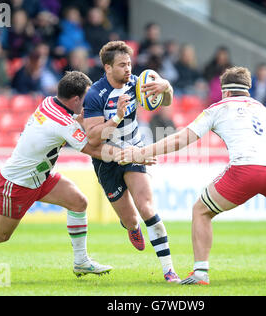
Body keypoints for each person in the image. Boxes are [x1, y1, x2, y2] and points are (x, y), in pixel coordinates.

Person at [117, 66, 266, 285]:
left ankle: (201, 273)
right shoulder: (263, 110)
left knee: (201, 211)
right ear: (248, 90)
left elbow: (182, 139)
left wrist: (141, 153)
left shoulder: (217, 109)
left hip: (245, 170)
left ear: (225, 91)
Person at [0, 71, 127, 280]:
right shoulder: (63, 123)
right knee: (1, 234)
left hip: (42, 177)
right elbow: (95, 149)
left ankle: (81, 262)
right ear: (76, 99)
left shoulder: (49, 103)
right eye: (87, 97)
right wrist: (124, 137)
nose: (89, 101)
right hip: (17, 183)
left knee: (78, 202)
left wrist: (80, 121)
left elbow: (69, 125)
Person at [82, 41, 181, 283]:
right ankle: (131, 227)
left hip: (134, 150)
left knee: (146, 207)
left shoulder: (137, 83)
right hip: (106, 158)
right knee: (131, 219)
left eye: (129, 64)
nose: (128, 69)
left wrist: (166, 87)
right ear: (107, 68)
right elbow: (93, 137)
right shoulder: (96, 95)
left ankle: (169, 270)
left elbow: (165, 102)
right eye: (122, 65)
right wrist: (116, 116)